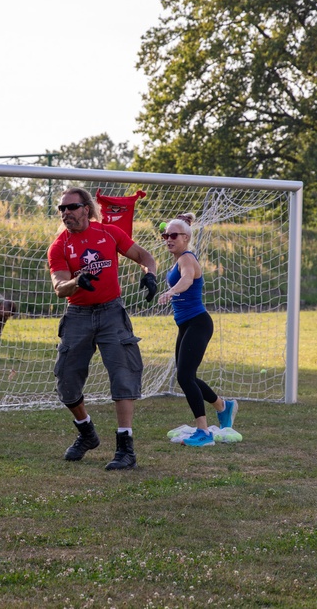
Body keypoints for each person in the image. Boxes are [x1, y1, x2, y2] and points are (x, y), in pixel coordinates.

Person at [48, 186, 158, 470]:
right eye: (61, 209)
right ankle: (86, 432)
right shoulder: (59, 246)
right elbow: (60, 287)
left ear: (86, 208)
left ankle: (125, 449)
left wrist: (151, 276)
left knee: (123, 376)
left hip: (111, 312)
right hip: (78, 315)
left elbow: (145, 257)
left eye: (71, 207)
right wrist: (76, 282)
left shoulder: (109, 233)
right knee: (66, 383)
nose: (65, 213)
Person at [156, 213, 237, 446]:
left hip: (198, 323)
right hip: (186, 325)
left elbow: (187, 280)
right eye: (165, 235)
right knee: (186, 376)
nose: (168, 239)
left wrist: (172, 291)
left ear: (186, 238)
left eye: (173, 235)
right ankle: (223, 406)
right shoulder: (179, 257)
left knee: (184, 376)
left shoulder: (187, 259)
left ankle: (203, 432)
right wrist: (178, 222)